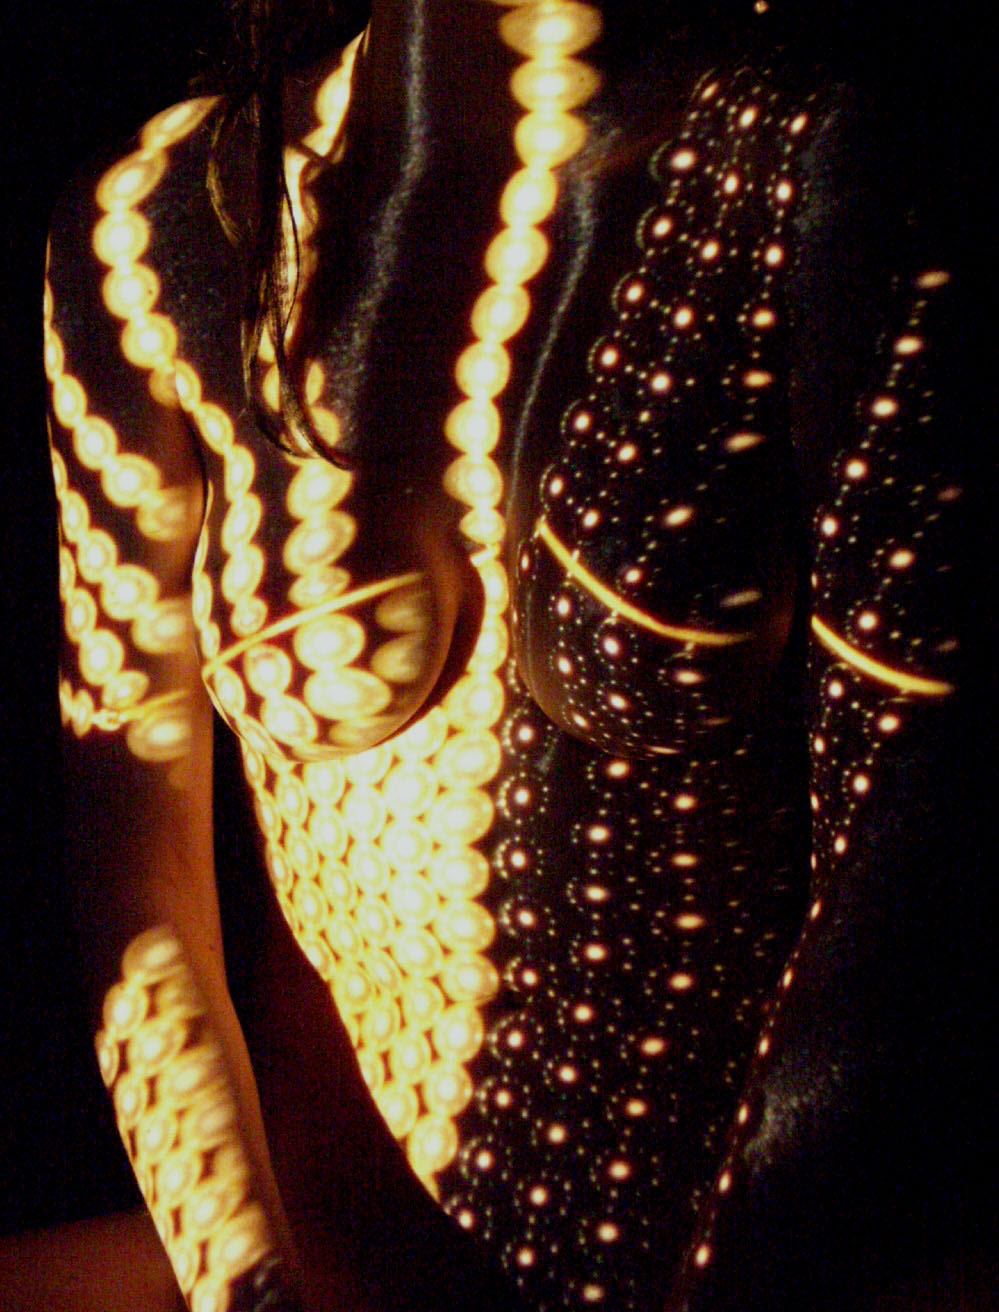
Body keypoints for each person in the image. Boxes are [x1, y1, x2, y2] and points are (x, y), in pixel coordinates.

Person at [20, 0, 983, 1308]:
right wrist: (244, 1280)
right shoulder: (152, 234)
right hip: (347, 1273)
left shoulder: (786, 159)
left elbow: (913, 855)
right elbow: (140, 882)